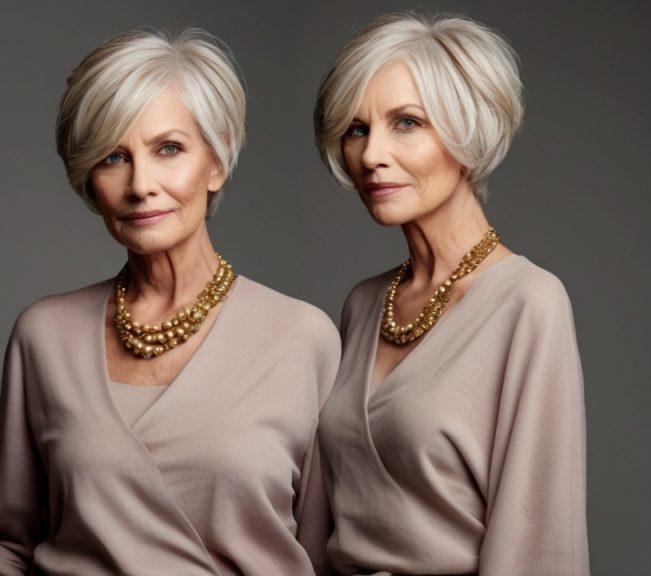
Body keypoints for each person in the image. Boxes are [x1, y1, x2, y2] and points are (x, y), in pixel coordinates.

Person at [0, 29, 339, 575]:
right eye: (113, 157)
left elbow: (328, 556)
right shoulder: (44, 336)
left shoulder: (302, 338)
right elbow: (9, 544)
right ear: (90, 180)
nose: (141, 185)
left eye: (169, 149)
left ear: (217, 161)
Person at [313, 13, 589, 576]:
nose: (370, 155)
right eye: (357, 128)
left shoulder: (528, 301)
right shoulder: (364, 305)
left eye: (407, 123)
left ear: (468, 134)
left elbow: (538, 538)